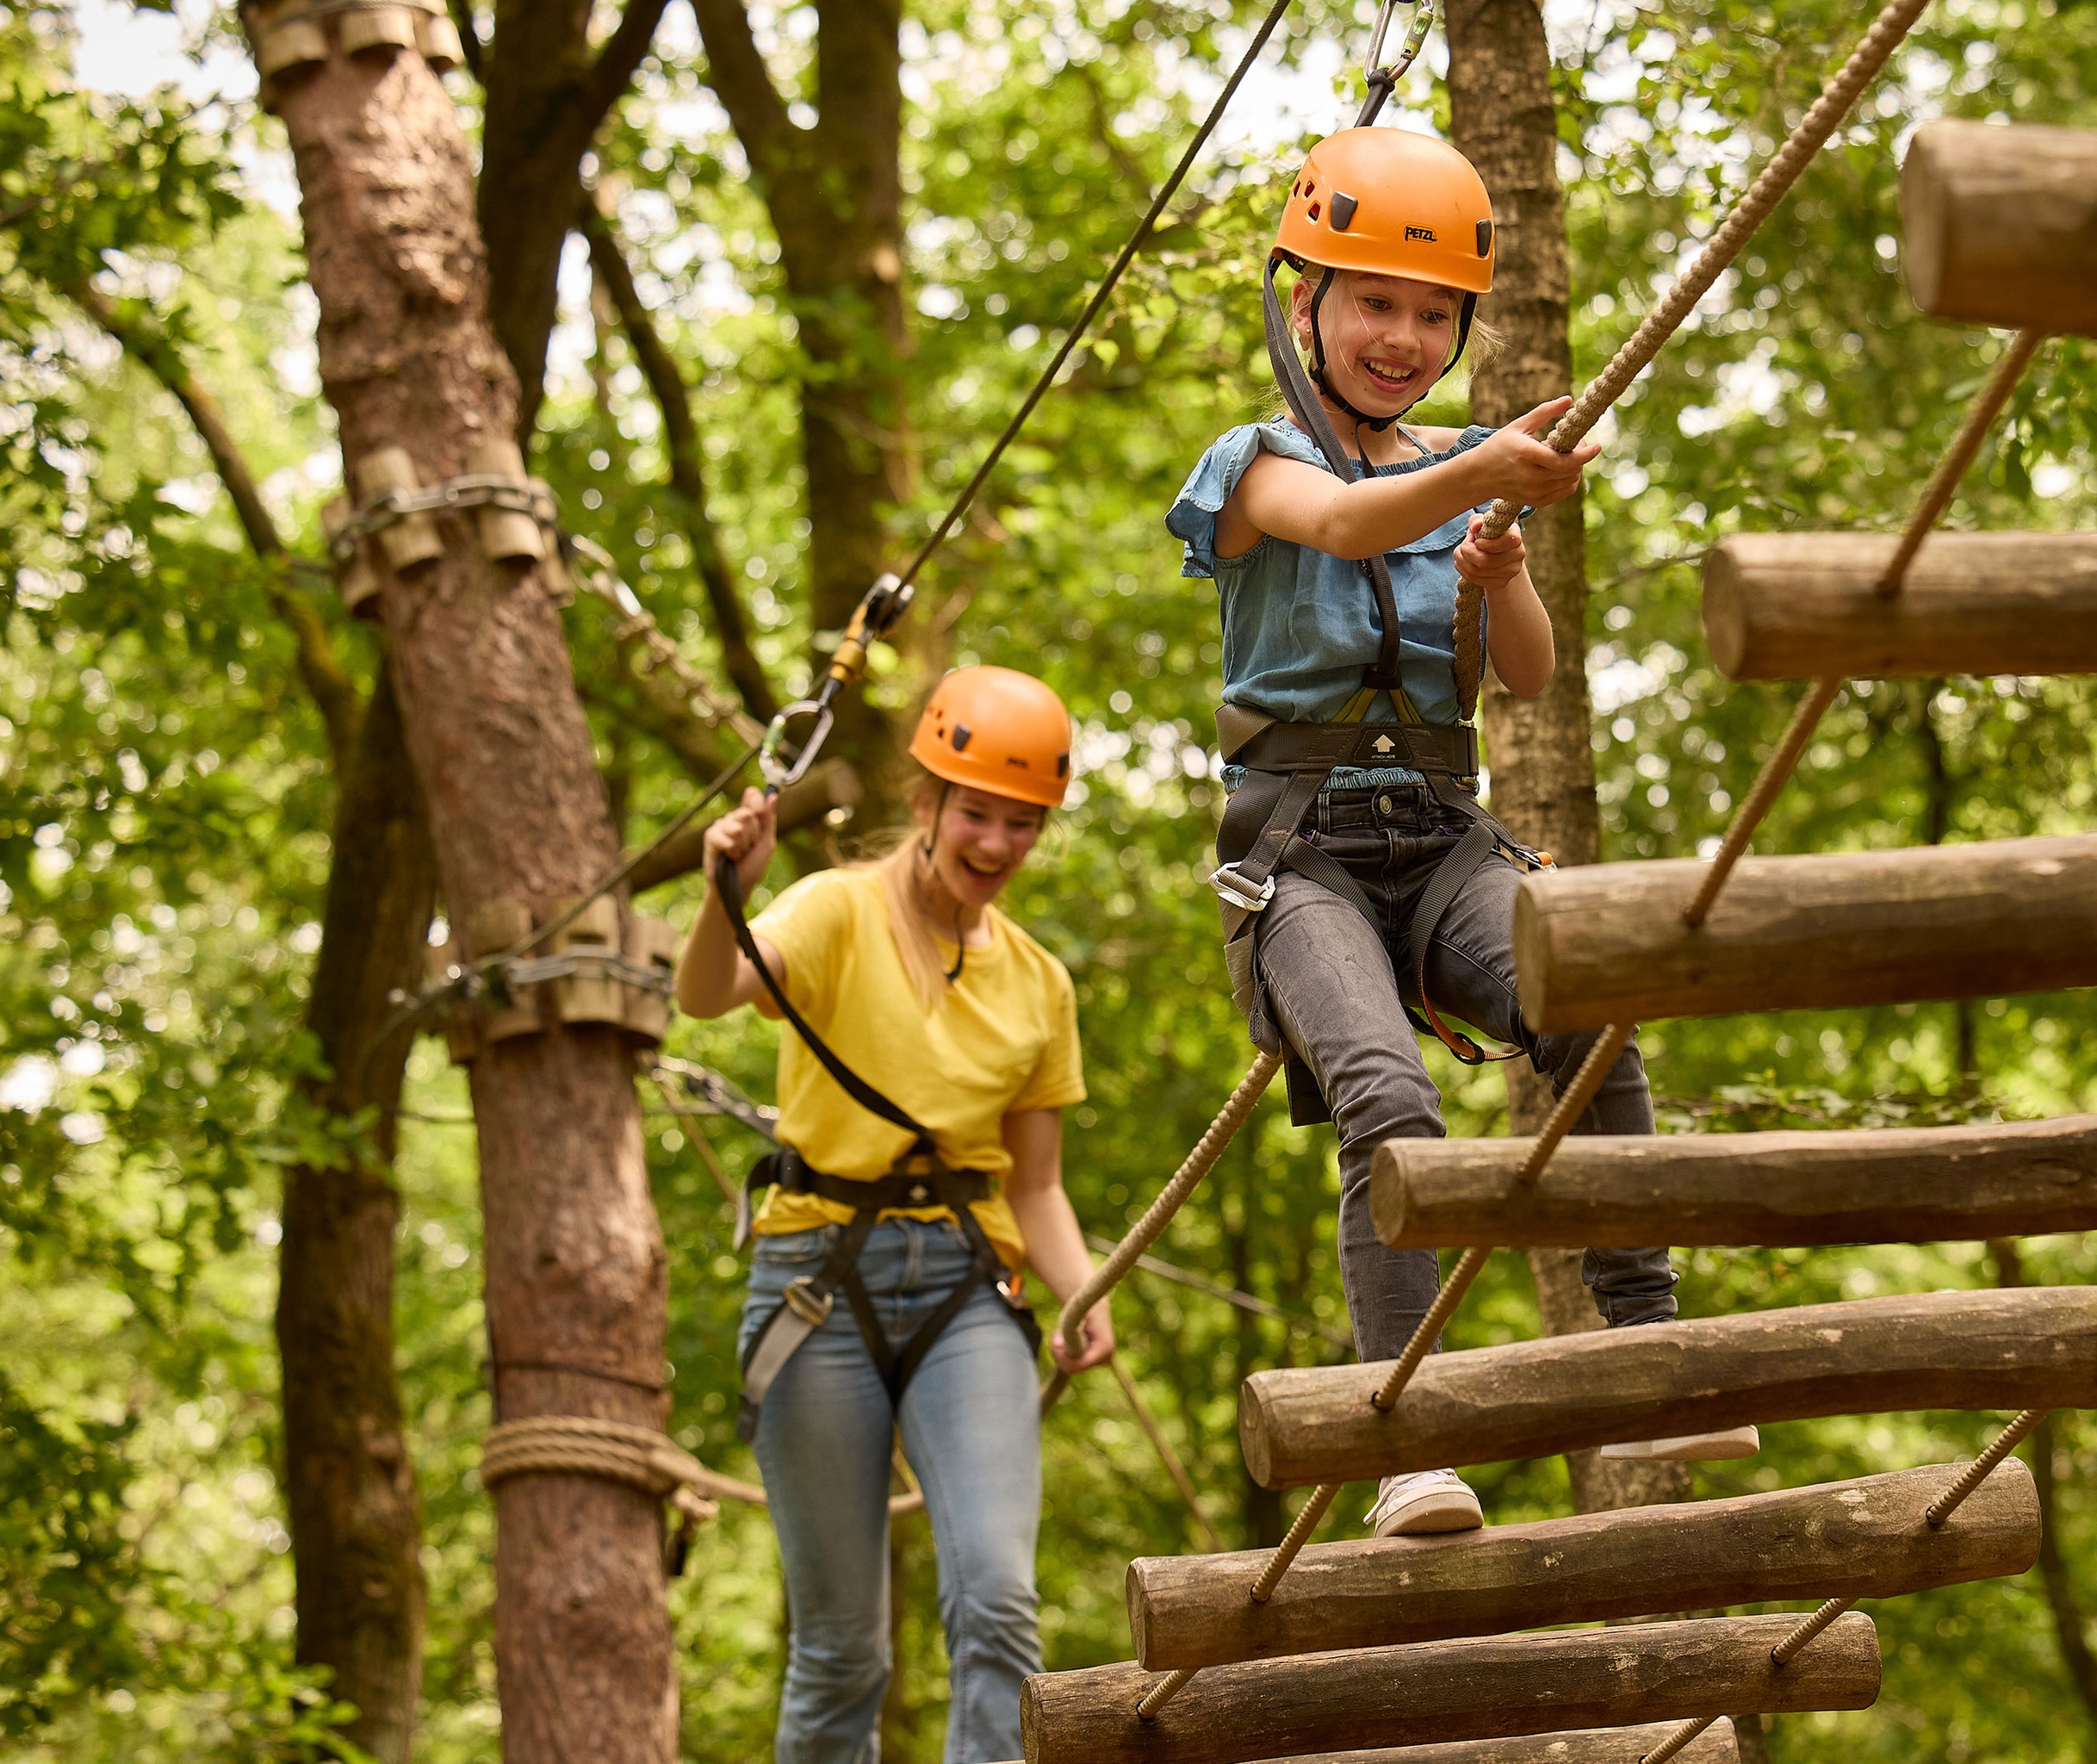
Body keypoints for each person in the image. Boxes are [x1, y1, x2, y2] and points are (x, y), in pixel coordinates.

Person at [1166, 127, 1753, 1543]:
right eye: (1376, 300)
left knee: (1590, 1005)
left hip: (1438, 842)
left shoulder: (1460, 473)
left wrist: (1499, 567)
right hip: (1300, 858)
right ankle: (1406, 1439)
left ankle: (1645, 1346)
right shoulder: (1255, 465)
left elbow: (1525, 675)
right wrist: (1477, 473)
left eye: (1435, 314)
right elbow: (1352, 524)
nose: (1406, 336)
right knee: (1387, 1093)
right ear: (1301, 295)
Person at [675, 665, 1109, 1764]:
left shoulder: (1039, 983)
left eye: (1024, 823)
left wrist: (1082, 1286)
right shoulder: (835, 910)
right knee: (842, 1651)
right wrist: (723, 887)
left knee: (1001, 1604)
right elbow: (708, 993)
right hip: (819, 1283)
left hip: (967, 1291)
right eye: (976, 812)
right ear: (925, 801)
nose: (998, 843)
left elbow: (1036, 1183)